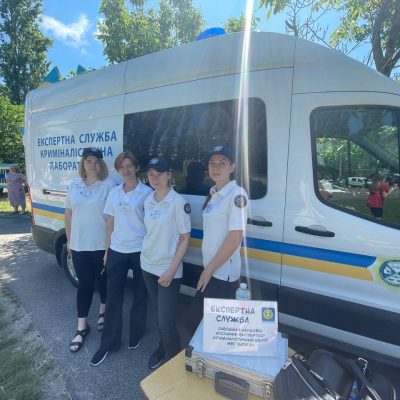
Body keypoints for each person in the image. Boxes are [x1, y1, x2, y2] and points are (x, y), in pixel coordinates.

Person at [90, 152, 152, 366]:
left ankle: (136, 333)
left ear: (137, 167)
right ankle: (108, 343)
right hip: (117, 250)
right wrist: (107, 251)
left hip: (140, 250)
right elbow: (110, 224)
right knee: (113, 298)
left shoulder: (147, 193)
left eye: (129, 166)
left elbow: (152, 225)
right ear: (118, 170)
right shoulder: (114, 193)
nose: (126, 170)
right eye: (122, 167)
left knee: (140, 295)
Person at [140, 157, 191, 369]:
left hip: (168, 269)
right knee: (158, 313)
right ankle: (163, 347)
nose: (155, 178)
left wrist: (171, 270)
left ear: (169, 174)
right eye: (151, 174)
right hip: (147, 265)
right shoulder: (148, 199)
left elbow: (185, 238)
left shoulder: (178, 202)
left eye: (159, 174)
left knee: (165, 319)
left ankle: (174, 361)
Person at [66, 147, 115, 353]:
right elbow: (68, 214)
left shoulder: (109, 185)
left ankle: (103, 312)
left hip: (101, 246)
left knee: (103, 281)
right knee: (84, 285)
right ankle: (81, 327)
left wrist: (109, 248)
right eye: (88, 161)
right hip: (79, 246)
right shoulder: (74, 184)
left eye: (96, 161)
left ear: (101, 163)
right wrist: (70, 241)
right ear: (83, 163)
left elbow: (112, 219)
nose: (93, 165)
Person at [197, 145, 248, 300]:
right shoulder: (214, 192)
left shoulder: (237, 194)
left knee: (199, 313)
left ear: (232, 167)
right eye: (212, 163)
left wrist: (208, 270)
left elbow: (234, 239)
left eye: (222, 163)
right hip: (211, 268)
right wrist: (208, 269)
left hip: (222, 274)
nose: (216, 167)